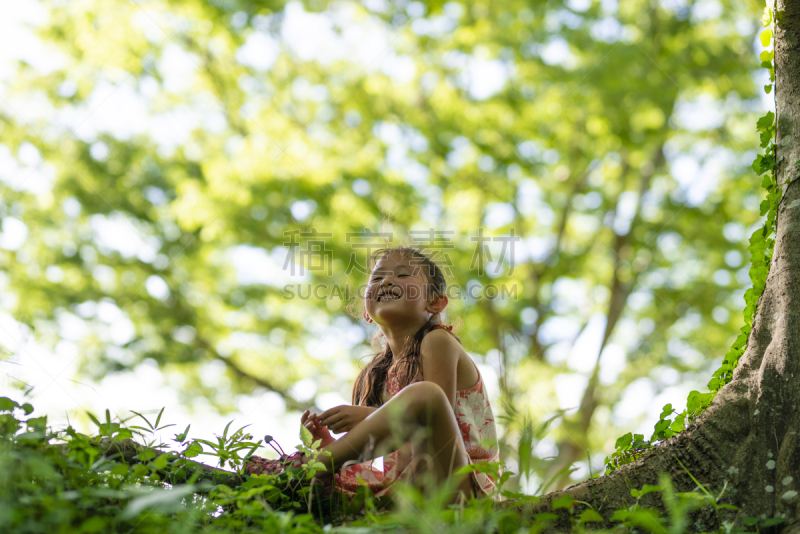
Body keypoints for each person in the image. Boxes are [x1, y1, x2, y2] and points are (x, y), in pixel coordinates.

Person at [245, 246, 502, 506]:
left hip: (460, 488)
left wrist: (364, 417)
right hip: (408, 493)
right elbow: (381, 450)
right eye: (377, 278)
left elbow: (433, 418)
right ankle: (319, 469)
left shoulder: (438, 341)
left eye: (402, 276)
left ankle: (309, 469)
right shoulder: (374, 375)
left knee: (426, 394)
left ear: (434, 302)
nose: (387, 281)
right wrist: (329, 442)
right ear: (367, 312)